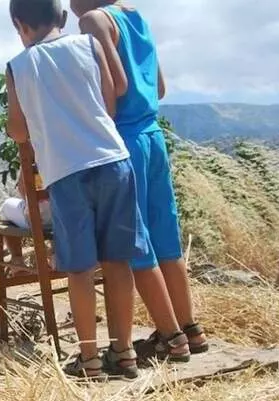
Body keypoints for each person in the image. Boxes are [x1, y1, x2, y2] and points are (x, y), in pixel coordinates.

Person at [5, 0, 150, 380]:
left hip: (66, 174)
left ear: (19, 25)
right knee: (118, 262)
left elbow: (18, 131)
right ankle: (125, 352)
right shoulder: (90, 45)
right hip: (113, 162)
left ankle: (89, 360)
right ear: (64, 19)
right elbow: (109, 103)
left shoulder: (18, 67)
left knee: (80, 268)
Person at [71, 0, 208, 360]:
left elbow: (114, 88)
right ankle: (191, 329)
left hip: (125, 140)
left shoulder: (93, 20)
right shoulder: (135, 17)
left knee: (134, 241)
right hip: (153, 136)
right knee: (166, 236)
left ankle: (170, 335)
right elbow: (158, 87)